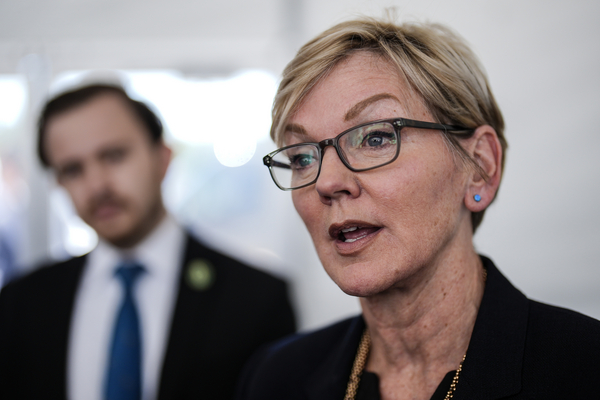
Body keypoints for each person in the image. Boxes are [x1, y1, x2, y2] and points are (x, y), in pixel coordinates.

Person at [235, 17, 600, 400]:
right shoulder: (275, 379)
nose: (327, 182)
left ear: (480, 167)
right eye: (302, 157)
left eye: (375, 137)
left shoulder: (583, 370)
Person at [0, 84, 296, 400]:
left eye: (114, 156)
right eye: (73, 170)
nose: (97, 185)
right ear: (59, 183)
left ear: (162, 158)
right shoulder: (22, 305)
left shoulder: (256, 299)